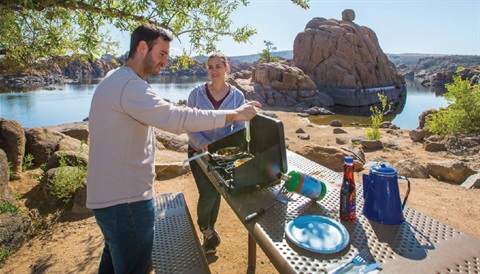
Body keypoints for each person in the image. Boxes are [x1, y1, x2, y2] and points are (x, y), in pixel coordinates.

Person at [86, 24, 261, 274]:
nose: (166, 61)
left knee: (114, 264)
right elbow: (176, 118)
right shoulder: (128, 86)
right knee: (136, 266)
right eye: (162, 54)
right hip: (125, 201)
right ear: (142, 47)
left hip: (113, 199)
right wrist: (234, 115)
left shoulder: (117, 79)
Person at [186, 53, 245, 254]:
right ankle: (205, 227)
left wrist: (225, 148)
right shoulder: (196, 94)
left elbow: (239, 127)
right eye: (210, 67)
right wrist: (203, 144)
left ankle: (209, 231)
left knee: (218, 192)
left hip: (222, 154)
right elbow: (189, 124)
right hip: (197, 150)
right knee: (208, 192)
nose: (214, 71)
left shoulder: (238, 96)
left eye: (218, 66)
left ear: (226, 68)